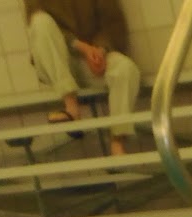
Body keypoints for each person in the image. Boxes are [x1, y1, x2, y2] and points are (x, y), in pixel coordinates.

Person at [25, 0, 140, 158]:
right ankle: (71, 106)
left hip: (88, 60)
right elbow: (42, 30)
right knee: (40, 22)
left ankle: (118, 141)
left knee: (125, 68)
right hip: (54, 62)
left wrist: (101, 50)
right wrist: (81, 47)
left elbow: (112, 23)